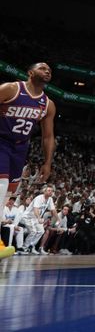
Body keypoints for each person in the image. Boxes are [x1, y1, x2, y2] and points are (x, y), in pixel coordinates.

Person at [0, 63, 56, 261]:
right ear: (30, 73)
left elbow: (48, 137)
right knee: (1, 185)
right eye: (42, 68)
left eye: (49, 69)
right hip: (2, 141)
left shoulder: (47, 104)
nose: (47, 70)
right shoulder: (11, 89)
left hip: (20, 147)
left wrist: (47, 162)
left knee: (7, 193)